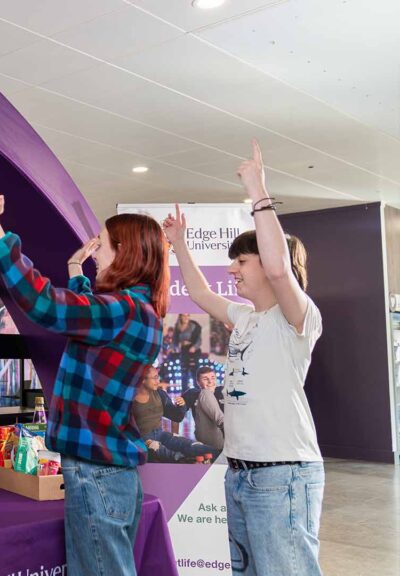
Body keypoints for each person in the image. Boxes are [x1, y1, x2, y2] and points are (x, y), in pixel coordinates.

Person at [0, 189, 168, 576]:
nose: (96, 254)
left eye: (102, 246)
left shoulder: (121, 311)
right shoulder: (142, 313)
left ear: (126, 253)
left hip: (96, 472)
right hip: (113, 471)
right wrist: (76, 270)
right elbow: (89, 324)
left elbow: (47, 306)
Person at [163, 140, 323, 575]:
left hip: (283, 475)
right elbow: (199, 293)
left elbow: (277, 269)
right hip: (240, 473)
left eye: (241, 260)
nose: (232, 269)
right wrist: (178, 243)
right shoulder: (246, 319)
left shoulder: (297, 317)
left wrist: (257, 189)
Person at [133, 366, 217, 462]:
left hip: (161, 435)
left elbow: (176, 417)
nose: (158, 381)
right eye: (155, 378)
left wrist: (181, 405)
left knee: (190, 445)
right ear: (143, 380)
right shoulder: (129, 398)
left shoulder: (160, 394)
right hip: (141, 440)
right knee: (169, 454)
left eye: (158, 377)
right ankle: (189, 461)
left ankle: (218, 454)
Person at [179, 366, 225, 450]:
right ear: (198, 382)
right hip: (210, 436)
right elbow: (176, 415)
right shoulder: (192, 393)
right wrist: (175, 435)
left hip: (228, 438)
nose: (210, 381)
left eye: (213, 378)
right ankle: (224, 424)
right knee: (205, 392)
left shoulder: (223, 391)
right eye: (205, 379)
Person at [173, 313, 203, 384]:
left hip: (193, 351)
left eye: (188, 315)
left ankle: (197, 390)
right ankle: (184, 392)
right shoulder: (177, 327)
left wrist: (194, 347)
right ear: (180, 317)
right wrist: (177, 347)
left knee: (194, 372)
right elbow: (175, 340)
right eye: (184, 315)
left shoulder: (193, 326)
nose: (186, 317)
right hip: (183, 350)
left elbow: (199, 340)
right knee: (184, 372)